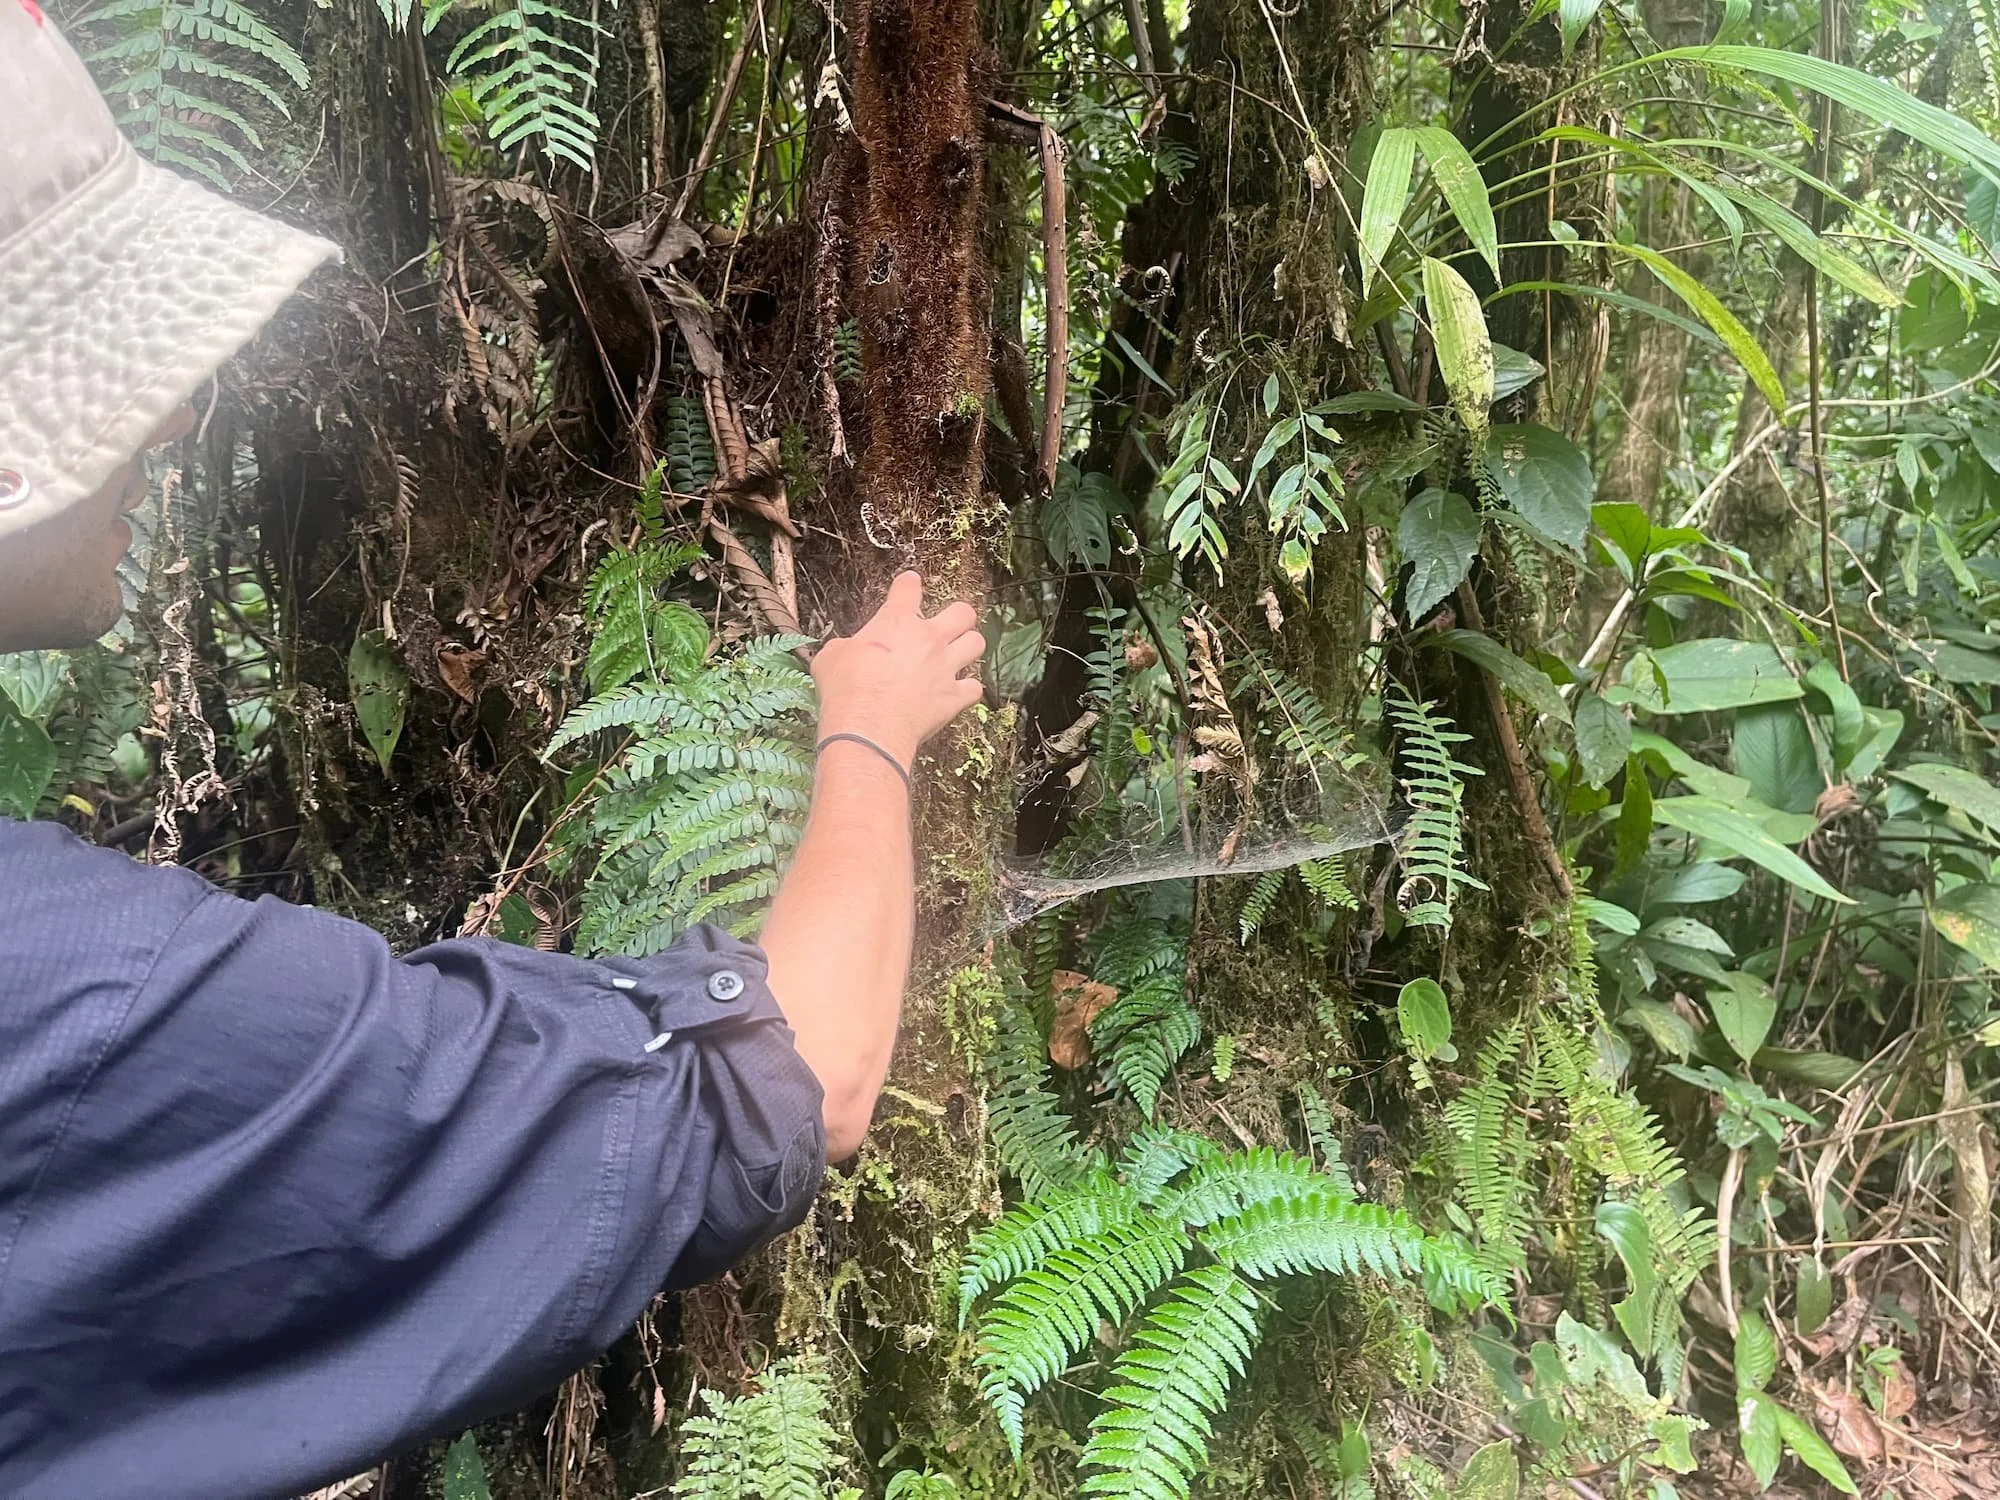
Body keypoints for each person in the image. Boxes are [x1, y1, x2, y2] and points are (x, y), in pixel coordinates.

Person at [0, 6, 984, 1496]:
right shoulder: (92, 997)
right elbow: (796, 1082)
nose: (182, 407)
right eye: (108, 360)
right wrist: (870, 725)